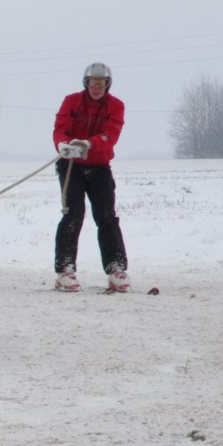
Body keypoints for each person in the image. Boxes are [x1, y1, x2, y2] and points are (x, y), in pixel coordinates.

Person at [52, 62, 129, 293]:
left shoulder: (116, 106)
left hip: (100, 167)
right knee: (73, 215)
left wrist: (88, 144)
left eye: (101, 84)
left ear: (107, 85)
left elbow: (111, 134)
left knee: (107, 216)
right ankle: (64, 270)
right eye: (93, 83)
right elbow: (60, 128)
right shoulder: (71, 101)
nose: (96, 87)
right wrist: (63, 145)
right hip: (70, 166)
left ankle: (116, 269)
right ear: (86, 83)